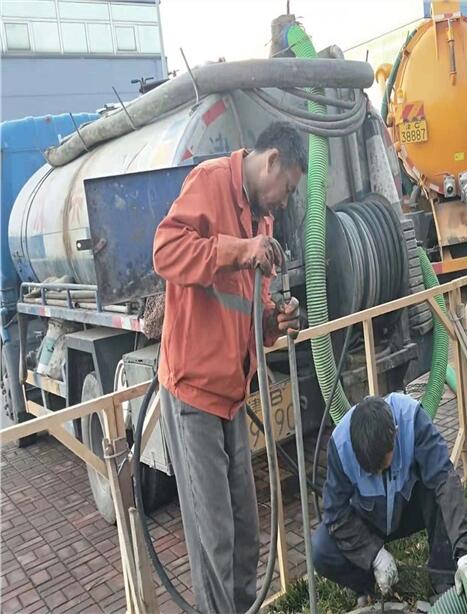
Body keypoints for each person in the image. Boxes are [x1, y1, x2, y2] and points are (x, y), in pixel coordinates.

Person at [152, 122, 306, 613]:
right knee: (216, 542)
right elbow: (164, 251)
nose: (284, 202)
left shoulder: (263, 220)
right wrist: (238, 250)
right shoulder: (210, 181)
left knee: (245, 538)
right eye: (287, 189)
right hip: (194, 392)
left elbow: (247, 315)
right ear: (273, 161)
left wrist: (274, 322)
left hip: (233, 396)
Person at [312, 393, 467, 610]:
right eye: (370, 471)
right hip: (369, 516)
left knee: (438, 488)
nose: (377, 475)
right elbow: (335, 515)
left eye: (382, 467)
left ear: (395, 434)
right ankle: (370, 586)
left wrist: (466, 554)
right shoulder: (340, 445)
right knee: (321, 548)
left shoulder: (412, 420)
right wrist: (374, 555)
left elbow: (445, 481)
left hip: (407, 508)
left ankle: (444, 581)